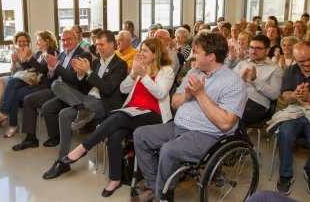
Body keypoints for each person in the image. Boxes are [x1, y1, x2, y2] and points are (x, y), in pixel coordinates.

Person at [130, 33, 248, 202]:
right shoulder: (194, 71)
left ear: (211, 57)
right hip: (178, 126)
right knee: (141, 134)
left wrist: (200, 94)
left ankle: (162, 195)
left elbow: (225, 123)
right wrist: (186, 96)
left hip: (208, 135)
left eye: (197, 52)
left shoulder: (234, 83)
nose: (193, 55)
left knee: (169, 150)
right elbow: (174, 103)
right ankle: (152, 186)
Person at [61, 38, 174, 197]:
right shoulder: (140, 67)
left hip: (153, 113)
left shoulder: (166, 70)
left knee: (119, 117)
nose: (141, 53)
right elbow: (123, 89)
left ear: (156, 54)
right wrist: (134, 73)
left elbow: (161, 93)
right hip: (132, 111)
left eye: (145, 51)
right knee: (114, 136)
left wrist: (145, 76)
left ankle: (83, 147)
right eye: (141, 50)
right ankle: (115, 179)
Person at [41, 30, 128, 180]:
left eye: (102, 44)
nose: (98, 48)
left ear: (112, 44)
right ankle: (63, 161)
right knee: (56, 84)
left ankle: (61, 161)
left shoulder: (120, 64)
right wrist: (80, 73)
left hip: (103, 103)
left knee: (63, 114)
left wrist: (88, 72)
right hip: (87, 99)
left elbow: (107, 89)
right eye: (97, 44)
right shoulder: (95, 62)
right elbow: (83, 86)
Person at [11, 29, 91, 151]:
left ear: (76, 39)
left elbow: (74, 79)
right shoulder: (62, 54)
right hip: (55, 88)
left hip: (70, 92)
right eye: (63, 40)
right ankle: (30, 138)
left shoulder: (83, 55)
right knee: (28, 100)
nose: (65, 42)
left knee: (47, 107)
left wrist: (56, 66)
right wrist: (51, 70)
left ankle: (55, 136)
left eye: (69, 39)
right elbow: (52, 76)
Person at [0, 31, 58, 138]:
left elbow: (43, 70)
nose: (37, 43)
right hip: (35, 82)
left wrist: (28, 58)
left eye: (39, 40)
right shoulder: (40, 53)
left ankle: (7, 118)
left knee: (13, 89)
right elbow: (30, 69)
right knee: (13, 88)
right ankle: (11, 122)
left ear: (47, 41)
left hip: (44, 86)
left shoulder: (53, 52)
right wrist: (23, 59)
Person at [275, 41, 310, 195]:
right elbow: (285, 96)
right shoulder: (291, 71)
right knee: (285, 133)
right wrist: (294, 95)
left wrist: (308, 96)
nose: (307, 63)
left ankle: (308, 170)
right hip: (294, 111)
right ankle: (285, 175)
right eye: (302, 62)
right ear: (295, 60)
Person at [233, 35, 283, 140]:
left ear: (267, 50)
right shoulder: (242, 64)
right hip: (236, 99)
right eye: (251, 47)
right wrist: (240, 79)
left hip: (257, 106)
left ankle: (242, 146)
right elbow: (228, 86)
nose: (253, 51)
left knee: (233, 114)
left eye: (258, 48)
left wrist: (255, 80)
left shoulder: (275, 69)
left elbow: (274, 95)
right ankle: (235, 146)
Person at [0, 31, 29, 120]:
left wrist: (18, 61)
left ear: (27, 41)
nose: (22, 43)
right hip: (15, 76)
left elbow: (29, 72)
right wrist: (14, 63)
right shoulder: (15, 53)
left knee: (7, 84)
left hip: (24, 79)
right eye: (19, 41)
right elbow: (13, 71)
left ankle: (1, 114)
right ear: (16, 43)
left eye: (24, 41)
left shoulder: (30, 52)